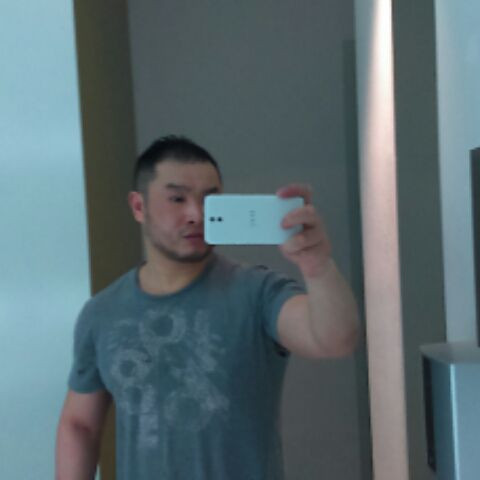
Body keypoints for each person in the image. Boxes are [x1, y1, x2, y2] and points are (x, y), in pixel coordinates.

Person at [55, 135, 359, 480]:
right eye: (177, 198)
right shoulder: (102, 312)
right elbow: (79, 424)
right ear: (139, 207)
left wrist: (317, 266)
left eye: (209, 200)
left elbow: (335, 339)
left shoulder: (257, 292)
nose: (196, 214)